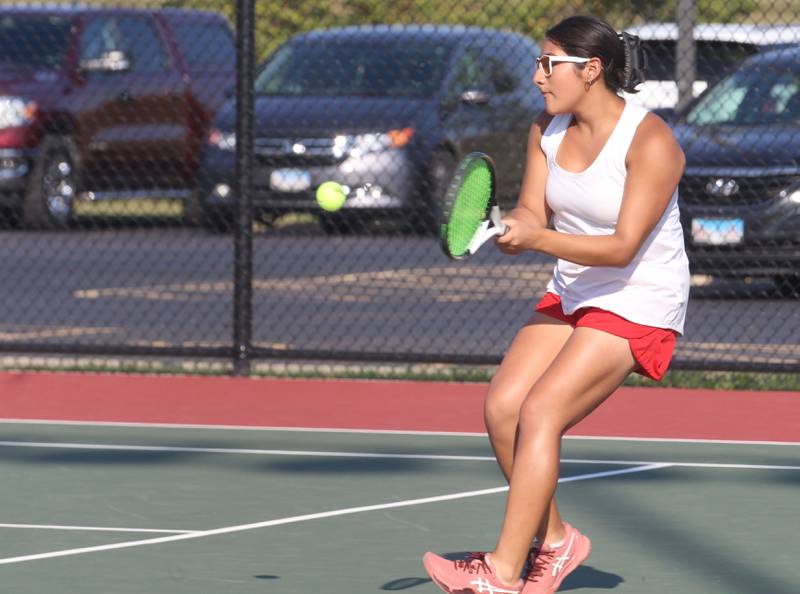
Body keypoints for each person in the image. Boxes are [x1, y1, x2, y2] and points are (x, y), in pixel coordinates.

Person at [422, 14, 690, 594]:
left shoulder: (652, 142)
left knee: (542, 412)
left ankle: (501, 572)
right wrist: (511, 229)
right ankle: (559, 541)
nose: (538, 75)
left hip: (639, 296)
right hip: (574, 288)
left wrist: (537, 238)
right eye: (539, 63)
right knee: (503, 410)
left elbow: (621, 249)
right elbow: (532, 215)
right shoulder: (545, 128)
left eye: (551, 64)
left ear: (591, 70)